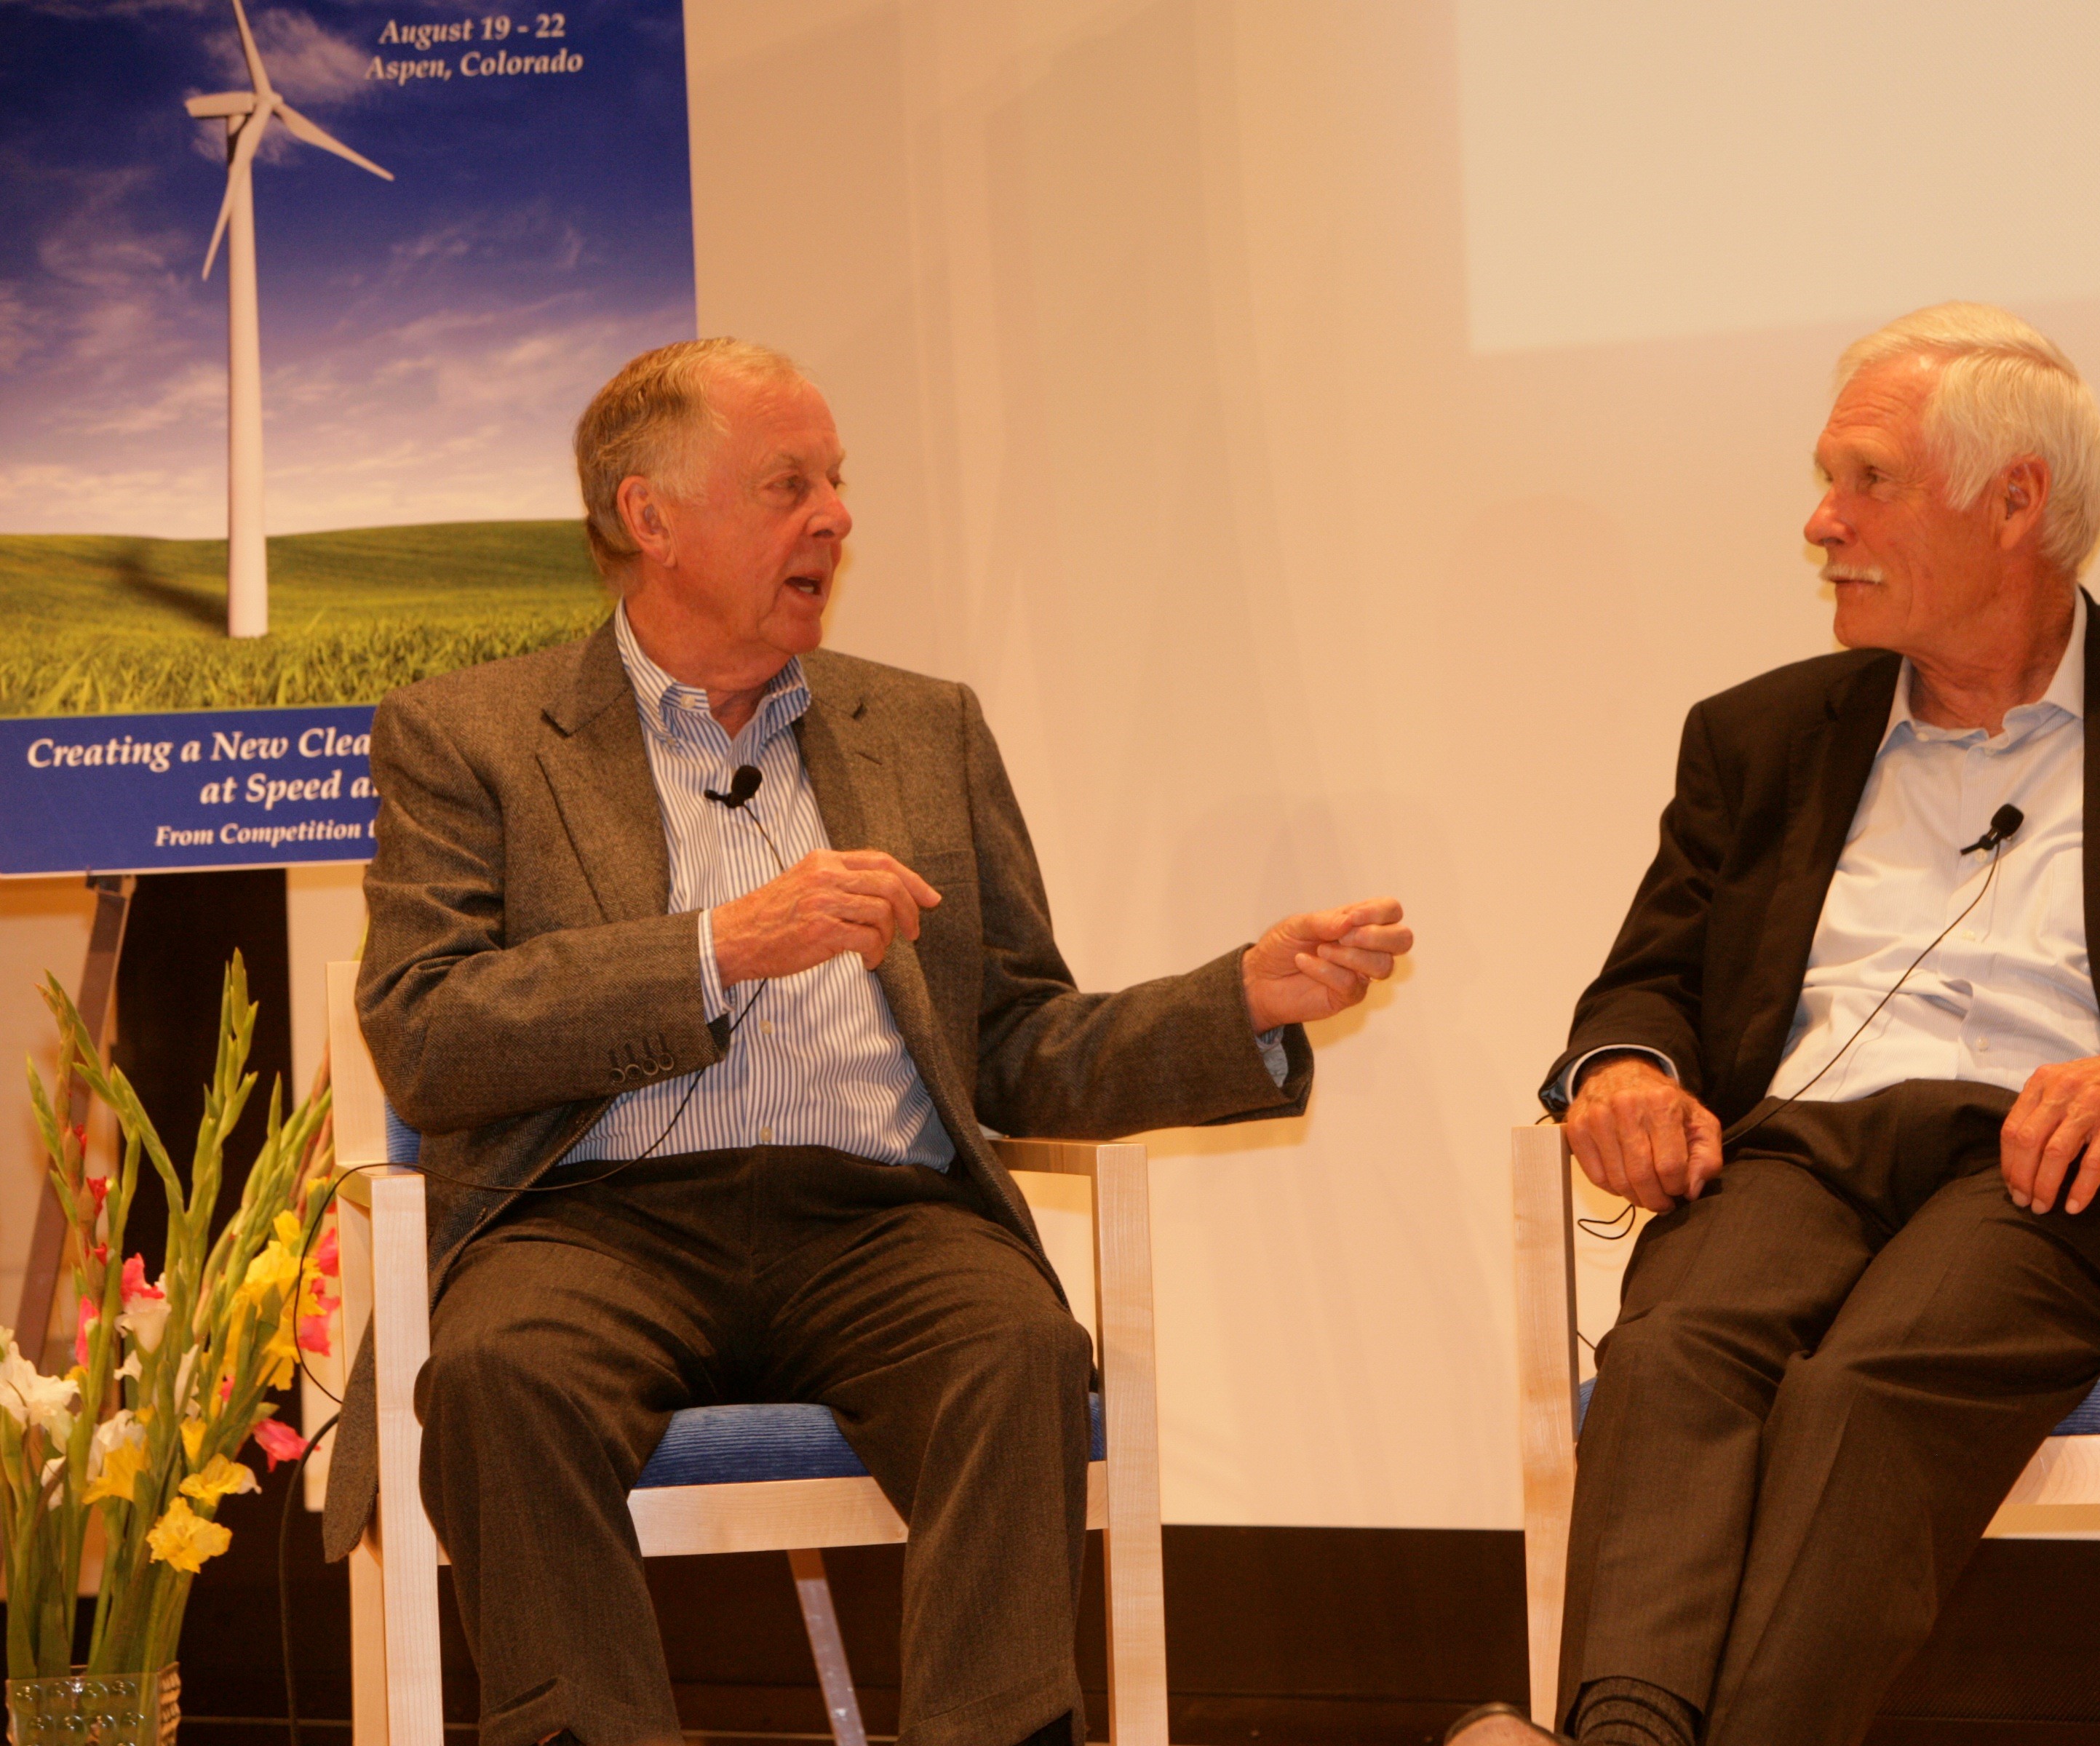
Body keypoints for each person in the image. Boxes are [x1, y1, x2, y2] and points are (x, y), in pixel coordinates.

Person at [318, 337, 1414, 1746]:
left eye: (838, 483)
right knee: (496, 1377)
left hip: (880, 1226)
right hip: (584, 1224)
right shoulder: (468, 736)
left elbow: (1016, 1044)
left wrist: (1238, 1003)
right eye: (790, 485)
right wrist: (725, 946)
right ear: (649, 518)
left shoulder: (923, 730)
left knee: (1016, 1345)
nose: (836, 517)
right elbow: (431, 1033)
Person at [1452, 304, 2100, 1746]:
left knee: (1864, 1390)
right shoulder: (1762, 734)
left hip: (2059, 1177)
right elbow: (1649, 982)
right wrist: (1623, 1070)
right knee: (1670, 1355)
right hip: (1794, 1161)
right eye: (1827, 478)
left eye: (1869, 480)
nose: (1821, 520)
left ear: (2017, 502)